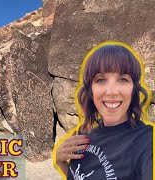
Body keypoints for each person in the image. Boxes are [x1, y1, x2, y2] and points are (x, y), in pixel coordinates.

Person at [53, 42, 154, 180]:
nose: (111, 92)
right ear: (91, 90)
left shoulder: (146, 140)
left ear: (134, 89)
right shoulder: (84, 133)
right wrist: (62, 163)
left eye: (123, 79)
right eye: (101, 80)